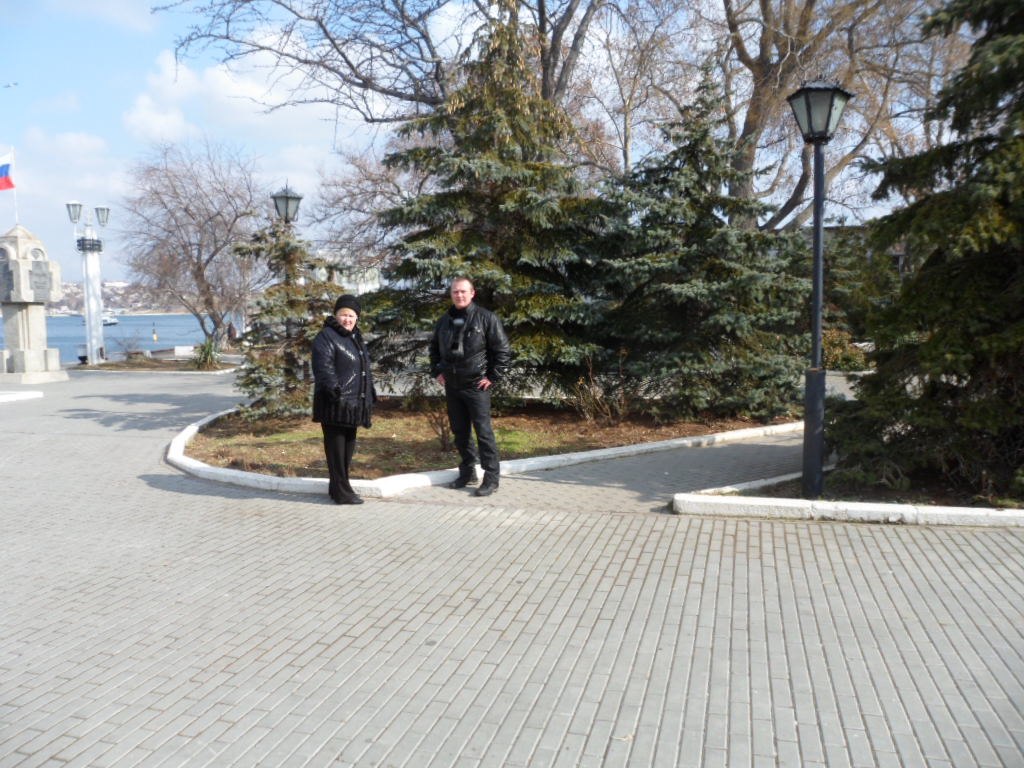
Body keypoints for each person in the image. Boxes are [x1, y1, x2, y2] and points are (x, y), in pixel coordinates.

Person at [429, 277, 511, 497]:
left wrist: (493, 376)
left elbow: (502, 350)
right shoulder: (444, 321)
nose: (459, 295)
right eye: (455, 292)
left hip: (476, 387)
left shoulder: (486, 318)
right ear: (451, 294)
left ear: (472, 293)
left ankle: (491, 478)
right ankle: (467, 473)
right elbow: (434, 349)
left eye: (463, 291)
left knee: (483, 433)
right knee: (460, 432)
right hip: (453, 386)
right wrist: (437, 371)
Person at [312, 294, 375, 505]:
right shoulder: (326, 336)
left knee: (346, 450)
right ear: (336, 315)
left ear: (357, 318)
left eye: (351, 316)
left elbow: (364, 370)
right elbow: (323, 368)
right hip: (335, 404)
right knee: (336, 452)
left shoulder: (355, 338)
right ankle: (342, 492)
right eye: (343, 315)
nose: (347, 319)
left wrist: (369, 394)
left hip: (353, 406)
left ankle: (336, 487)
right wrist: (335, 392)